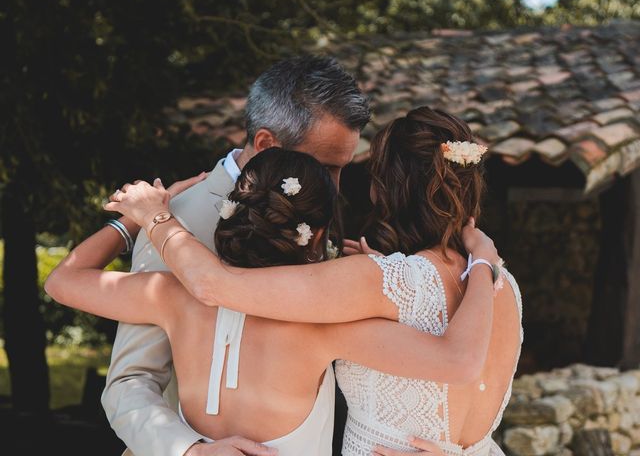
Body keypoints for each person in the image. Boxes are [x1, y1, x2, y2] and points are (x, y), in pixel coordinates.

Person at [96, 55, 489, 456]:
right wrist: (189, 449)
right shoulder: (179, 217)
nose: (336, 189)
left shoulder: (325, 213)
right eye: (325, 167)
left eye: (343, 169)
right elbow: (130, 381)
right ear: (267, 143)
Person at [46, 147, 499, 456]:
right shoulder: (329, 327)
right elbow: (456, 359)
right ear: (318, 235)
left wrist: (132, 223)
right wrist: (481, 263)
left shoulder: (169, 296)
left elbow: (63, 282)